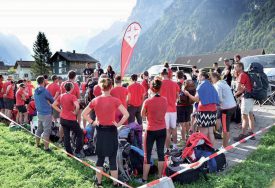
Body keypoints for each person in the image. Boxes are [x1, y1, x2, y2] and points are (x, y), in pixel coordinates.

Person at [82, 78, 129, 187]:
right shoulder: (115, 100)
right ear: (111, 87)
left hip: (99, 131)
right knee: (113, 159)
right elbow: (126, 114)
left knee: (100, 158)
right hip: (111, 131)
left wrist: (92, 122)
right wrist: (118, 124)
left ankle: (98, 183)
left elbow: (84, 114)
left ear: (100, 87)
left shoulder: (95, 100)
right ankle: (115, 184)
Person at [138, 78, 167, 184]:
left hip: (150, 130)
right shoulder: (165, 100)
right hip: (162, 129)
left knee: (147, 155)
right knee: (160, 154)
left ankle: (144, 179)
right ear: (160, 88)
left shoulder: (147, 101)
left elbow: (142, 115)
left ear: (151, 88)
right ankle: (160, 177)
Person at [183, 71, 219, 145]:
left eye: (199, 76)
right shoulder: (211, 85)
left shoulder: (201, 85)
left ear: (202, 77)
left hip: (204, 111)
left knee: (203, 133)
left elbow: (196, 99)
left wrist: (188, 94)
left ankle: (204, 149)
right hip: (213, 110)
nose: (197, 77)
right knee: (211, 132)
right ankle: (212, 150)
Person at [52, 82, 84, 158]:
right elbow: (77, 106)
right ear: (72, 88)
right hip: (70, 119)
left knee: (66, 136)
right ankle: (77, 151)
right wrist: (75, 112)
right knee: (80, 133)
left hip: (63, 119)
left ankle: (69, 153)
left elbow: (53, 105)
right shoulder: (72, 96)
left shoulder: (61, 95)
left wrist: (61, 111)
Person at [211, 73, 237, 147]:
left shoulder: (217, 85)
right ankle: (226, 141)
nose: (211, 80)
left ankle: (224, 147)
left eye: (211, 78)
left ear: (215, 77)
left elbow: (219, 99)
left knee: (225, 129)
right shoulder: (223, 83)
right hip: (232, 106)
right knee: (226, 127)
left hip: (226, 108)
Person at [233, 62, 255, 141]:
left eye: (236, 67)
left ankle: (242, 135)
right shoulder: (245, 74)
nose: (234, 69)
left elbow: (239, 89)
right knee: (250, 115)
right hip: (251, 96)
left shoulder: (242, 75)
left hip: (246, 97)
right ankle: (251, 133)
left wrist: (234, 95)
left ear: (240, 67)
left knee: (244, 117)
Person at [160, 68, 180, 151]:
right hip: (173, 109)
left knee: (166, 130)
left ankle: (167, 148)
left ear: (162, 75)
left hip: (164, 110)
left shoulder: (160, 84)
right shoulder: (174, 84)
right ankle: (175, 146)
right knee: (174, 128)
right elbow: (178, 97)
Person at [34, 76, 54, 152]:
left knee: (39, 129)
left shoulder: (35, 90)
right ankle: (46, 148)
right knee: (46, 130)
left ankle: (37, 144)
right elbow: (52, 100)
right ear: (43, 82)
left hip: (39, 112)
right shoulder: (45, 91)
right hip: (46, 113)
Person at [176, 71, 194, 142]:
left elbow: (176, 96)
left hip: (180, 105)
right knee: (187, 121)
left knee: (182, 124)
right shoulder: (188, 83)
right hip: (189, 105)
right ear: (183, 76)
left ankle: (183, 140)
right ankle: (188, 137)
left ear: (177, 76)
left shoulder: (177, 84)